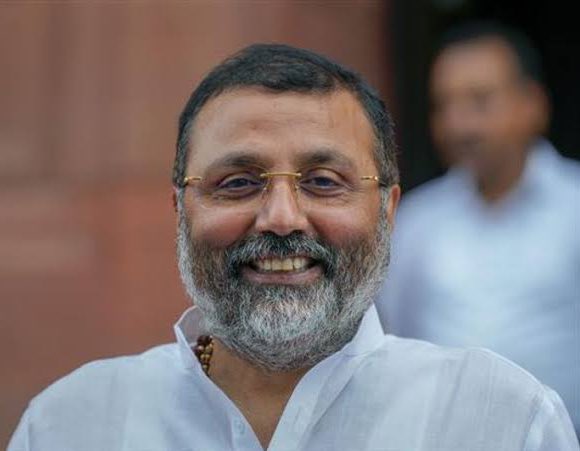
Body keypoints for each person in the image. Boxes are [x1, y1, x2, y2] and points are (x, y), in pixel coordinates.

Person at [9, 43, 579, 451]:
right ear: (181, 210)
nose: (282, 218)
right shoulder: (71, 426)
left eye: (324, 182)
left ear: (387, 212)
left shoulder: (504, 423)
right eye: (238, 182)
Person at [376, 21, 580, 437]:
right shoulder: (417, 221)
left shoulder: (573, 207)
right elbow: (393, 337)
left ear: (534, 104)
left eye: (479, 101)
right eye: (444, 106)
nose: (459, 126)